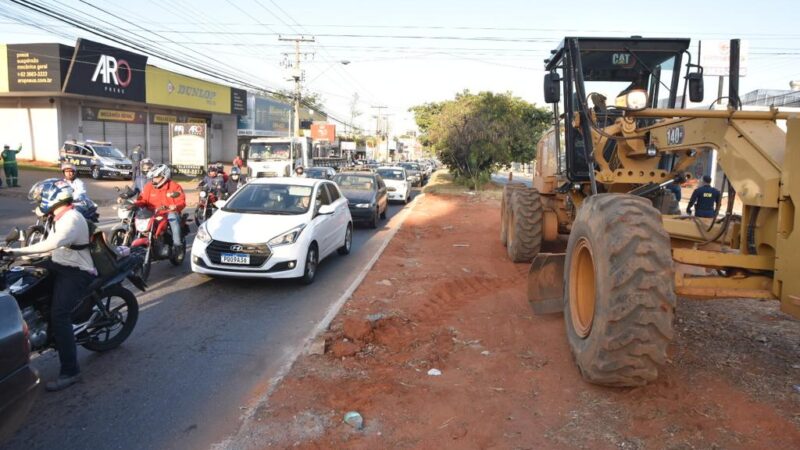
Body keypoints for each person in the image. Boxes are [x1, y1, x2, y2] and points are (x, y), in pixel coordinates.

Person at [0, 179, 95, 391]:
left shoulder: (71, 218)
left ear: (54, 197)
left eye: (42, 197)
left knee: (59, 316)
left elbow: (52, 244)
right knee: (22, 281)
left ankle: (71, 371)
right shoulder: (56, 217)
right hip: (59, 262)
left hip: (76, 270)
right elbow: (47, 248)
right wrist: (14, 257)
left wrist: (16, 252)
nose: (39, 201)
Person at [134, 164, 186, 252]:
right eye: (153, 177)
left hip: (168, 212)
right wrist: (134, 204)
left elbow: (182, 201)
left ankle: (177, 245)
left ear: (165, 176)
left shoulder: (174, 186)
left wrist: (175, 206)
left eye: (157, 177)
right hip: (152, 213)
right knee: (137, 217)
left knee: (173, 218)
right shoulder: (149, 186)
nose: (154, 180)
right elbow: (143, 200)